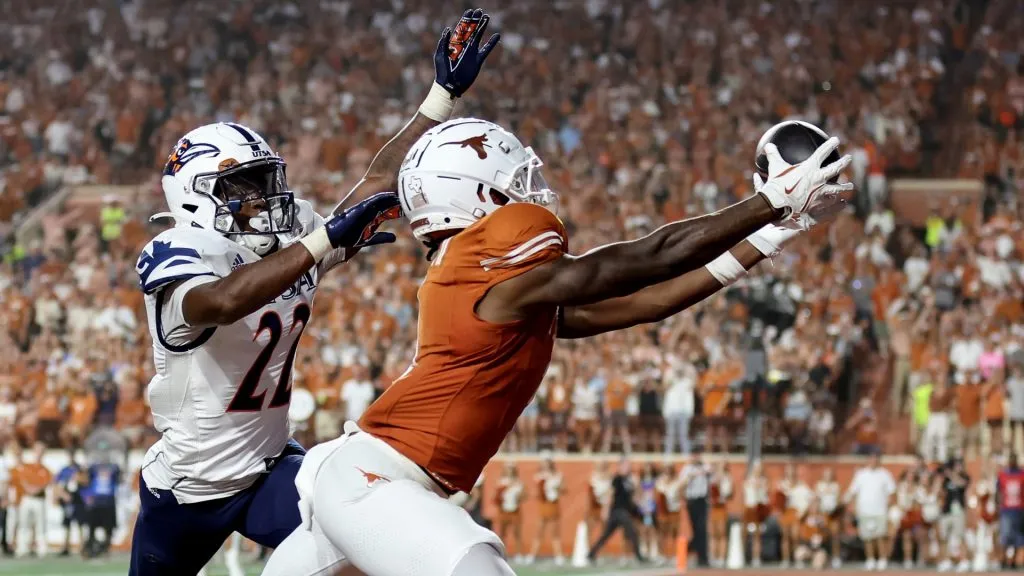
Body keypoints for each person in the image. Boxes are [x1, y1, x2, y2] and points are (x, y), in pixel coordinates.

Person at [263, 112, 852, 574]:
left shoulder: (499, 286)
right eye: (512, 181)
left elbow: (649, 302)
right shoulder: (482, 265)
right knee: (479, 568)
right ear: (472, 195)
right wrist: (766, 202)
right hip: (378, 480)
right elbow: (646, 260)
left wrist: (771, 234)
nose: (529, 193)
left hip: (376, 480)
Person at [126, 8, 492, 573]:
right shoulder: (179, 251)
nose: (265, 198)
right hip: (191, 486)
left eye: (265, 181)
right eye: (243, 188)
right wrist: (321, 243)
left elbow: (375, 184)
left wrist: (439, 99)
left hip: (272, 466)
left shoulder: (292, 237)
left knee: (365, 538)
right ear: (196, 197)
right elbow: (222, 301)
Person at [587, 457, 645, 564]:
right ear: (620, 466)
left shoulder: (630, 480)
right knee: (632, 532)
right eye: (626, 465)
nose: (629, 468)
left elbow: (636, 496)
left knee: (606, 534)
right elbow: (610, 494)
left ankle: (591, 553)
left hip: (625, 511)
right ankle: (639, 556)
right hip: (618, 511)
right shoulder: (617, 478)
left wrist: (637, 485)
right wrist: (605, 509)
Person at [845, 452, 896, 571]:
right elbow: (853, 491)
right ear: (868, 459)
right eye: (871, 458)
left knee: (880, 536)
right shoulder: (861, 474)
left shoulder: (885, 474)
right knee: (867, 538)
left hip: (880, 510)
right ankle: (870, 559)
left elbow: (892, 492)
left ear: (879, 460)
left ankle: (882, 560)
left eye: (875, 459)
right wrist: (852, 506)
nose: (873, 461)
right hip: (865, 511)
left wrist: (889, 506)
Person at [13, 442, 50, 558]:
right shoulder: (27, 467)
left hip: (39, 499)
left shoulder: (45, 470)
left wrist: (35, 489)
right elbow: (23, 481)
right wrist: (29, 489)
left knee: (40, 524)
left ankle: (41, 548)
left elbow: (45, 484)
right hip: (27, 498)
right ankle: (22, 548)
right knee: (24, 523)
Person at [526, 456, 564, 565]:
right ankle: (532, 555)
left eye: (547, 463)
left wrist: (556, 488)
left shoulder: (557, 475)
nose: (545, 465)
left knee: (555, 532)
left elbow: (563, 488)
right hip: (543, 505)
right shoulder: (538, 476)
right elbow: (535, 492)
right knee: (539, 531)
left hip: (553, 505)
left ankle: (558, 555)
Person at [937, 458, 970, 571]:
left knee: (960, 536)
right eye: (956, 465)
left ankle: (964, 560)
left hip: (959, 511)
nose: (958, 467)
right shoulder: (946, 480)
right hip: (946, 511)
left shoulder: (965, 477)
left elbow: (962, 484)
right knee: (944, 537)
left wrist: (951, 474)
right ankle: (946, 560)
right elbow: (940, 492)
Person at [53, 450, 87, 556]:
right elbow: (57, 484)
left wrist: (78, 478)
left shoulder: (80, 469)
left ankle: (82, 546)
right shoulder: (64, 470)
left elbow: (85, 481)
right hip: (67, 499)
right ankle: (65, 546)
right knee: (67, 523)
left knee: (80, 523)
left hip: (78, 499)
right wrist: (61, 495)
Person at [681, 455, 711, 567]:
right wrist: (691, 476)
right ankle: (691, 552)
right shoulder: (687, 468)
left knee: (702, 529)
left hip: (702, 501)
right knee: (695, 530)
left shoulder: (706, 467)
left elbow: (714, 478)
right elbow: (682, 484)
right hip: (692, 501)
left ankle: (703, 557)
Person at [998, 452, 1024, 568]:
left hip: (1019, 509)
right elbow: (998, 492)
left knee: (1018, 536)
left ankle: (1013, 561)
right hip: (1006, 510)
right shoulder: (1003, 475)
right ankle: (1003, 560)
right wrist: (998, 505)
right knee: (1005, 535)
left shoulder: (1022, 475)